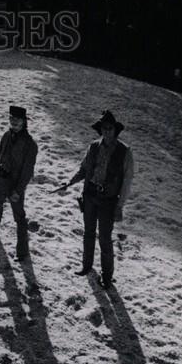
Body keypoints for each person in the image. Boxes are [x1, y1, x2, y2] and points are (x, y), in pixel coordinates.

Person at [62, 110, 134, 288]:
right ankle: (86, 266)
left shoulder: (125, 152)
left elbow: (127, 182)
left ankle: (107, 276)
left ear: (115, 130)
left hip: (108, 201)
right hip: (90, 196)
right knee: (88, 233)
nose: (107, 131)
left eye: (110, 128)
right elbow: (84, 169)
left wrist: (120, 205)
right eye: (103, 128)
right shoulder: (93, 146)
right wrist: (69, 182)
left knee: (104, 239)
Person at [0, 105, 38, 259]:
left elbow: (27, 172)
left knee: (19, 217)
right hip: (1, 180)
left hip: (15, 185)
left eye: (17, 119)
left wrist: (18, 190)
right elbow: (0, 158)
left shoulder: (30, 144)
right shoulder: (6, 136)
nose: (14, 122)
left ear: (24, 121)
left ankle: (22, 252)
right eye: (11, 119)